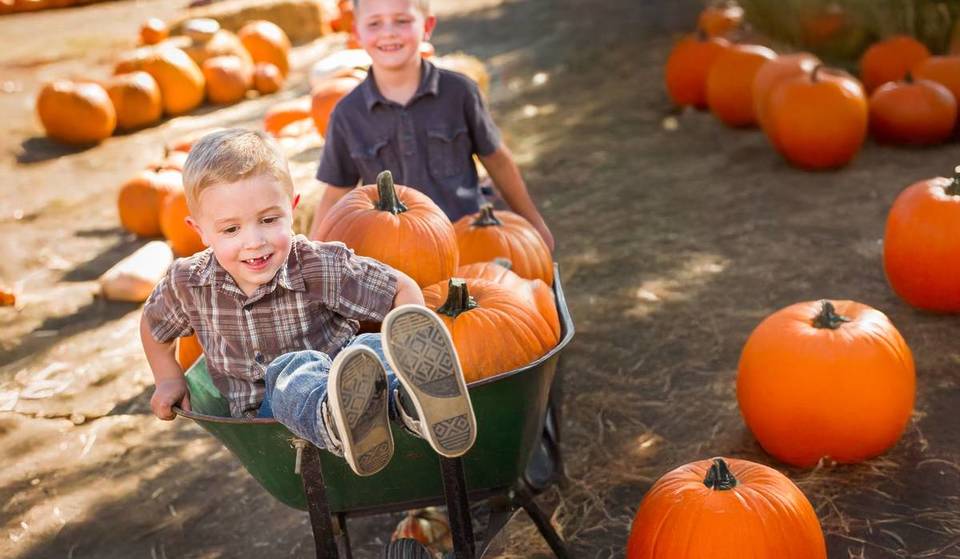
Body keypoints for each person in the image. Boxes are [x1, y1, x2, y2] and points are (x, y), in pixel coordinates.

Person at [139, 128, 477, 476]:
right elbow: (154, 326)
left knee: (371, 346)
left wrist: (411, 338)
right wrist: (168, 378)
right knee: (291, 367)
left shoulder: (316, 263)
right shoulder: (188, 282)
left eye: (269, 220)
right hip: (274, 411)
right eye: (230, 230)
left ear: (292, 208)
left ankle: (411, 403)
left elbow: (398, 288)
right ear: (200, 231)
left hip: (354, 380)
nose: (254, 241)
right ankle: (335, 418)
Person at [308, 0, 554, 251]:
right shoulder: (348, 114)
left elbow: (498, 161)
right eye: (374, 23)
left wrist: (533, 222)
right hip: (396, 251)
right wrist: (312, 254)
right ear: (357, 33)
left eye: (402, 21)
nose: (389, 31)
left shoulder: (459, 93)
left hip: (469, 239)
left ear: (427, 26)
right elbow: (335, 193)